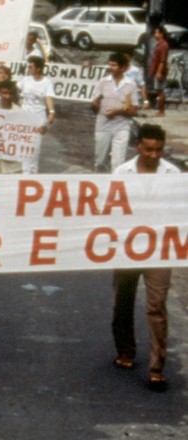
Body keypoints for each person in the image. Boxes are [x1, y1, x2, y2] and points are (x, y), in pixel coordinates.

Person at [111, 124, 179, 392]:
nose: (154, 155)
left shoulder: (173, 174)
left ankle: (156, 368)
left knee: (156, 306)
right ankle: (125, 351)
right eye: (148, 149)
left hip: (160, 250)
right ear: (138, 147)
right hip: (127, 248)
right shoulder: (122, 172)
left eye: (159, 150)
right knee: (122, 302)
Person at [91, 52, 138, 173]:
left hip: (122, 126)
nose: (110, 68)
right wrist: (95, 104)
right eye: (109, 64)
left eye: (114, 65)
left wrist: (118, 111)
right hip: (103, 125)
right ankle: (100, 187)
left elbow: (134, 110)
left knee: (118, 163)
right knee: (100, 161)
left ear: (123, 68)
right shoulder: (103, 82)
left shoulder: (130, 84)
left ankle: (115, 189)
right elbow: (94, 106)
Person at [18, 56, 55, 173]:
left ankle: (32, 173)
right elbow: (14, 89)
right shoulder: (25, 80)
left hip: (38, 119)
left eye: (31, 66)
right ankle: (24, 173)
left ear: (38, 69)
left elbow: (48, 97)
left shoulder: (46, 82)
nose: (29, 68)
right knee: (23, 147)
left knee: (34, 148)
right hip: (24, 118)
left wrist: (52, 112)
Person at [0, 79, 23, 174]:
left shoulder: (20, 112)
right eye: (5, 93)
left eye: (11, 94)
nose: (8, 97)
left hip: (13, 165)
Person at [149, 26, 169, 117]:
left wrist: (159, 72)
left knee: (160, 91)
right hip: (155, 70)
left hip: (159, 70)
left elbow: (162, 60)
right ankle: (160, 110)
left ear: (161, 34)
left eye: (157, 33)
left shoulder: (164, 45)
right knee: (158, 90)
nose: (155, 35)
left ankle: (161, 110)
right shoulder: (158, 44)